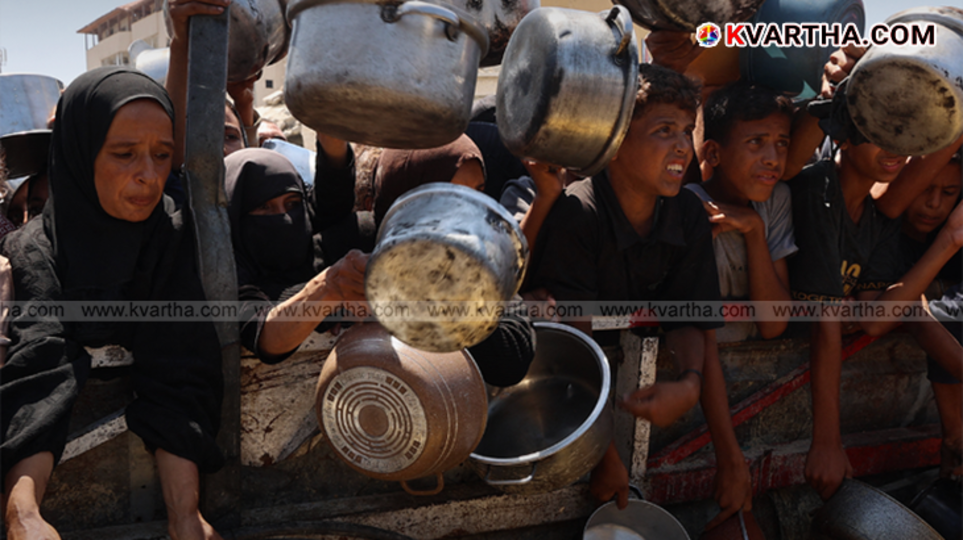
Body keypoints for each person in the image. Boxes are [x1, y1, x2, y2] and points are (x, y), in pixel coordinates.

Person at [1, 67, 225, 540]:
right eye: (124, 154)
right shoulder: (36, 249)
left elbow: (180, 364)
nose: (148, 176)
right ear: (81, 153)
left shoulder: (170, 234)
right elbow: (40, 370)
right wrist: (24, 513)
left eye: (162, 155)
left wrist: (186, 514)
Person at [527, 64, 751, 527]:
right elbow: (571, 350)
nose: (681, 147)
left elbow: (691, 322)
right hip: (570, 407)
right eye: (663, 130)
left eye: (687, 131)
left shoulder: (687, 212)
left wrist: (720, 440)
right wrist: (603, 455)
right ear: (612, 144)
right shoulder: (579, 214)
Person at [685, 82, 796, 342]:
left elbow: (773, 325)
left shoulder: (775, 199)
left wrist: (755, 231)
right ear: (713, 153)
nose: (772, 158)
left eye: (782, 143)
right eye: (756, 141)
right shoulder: (691, 205)